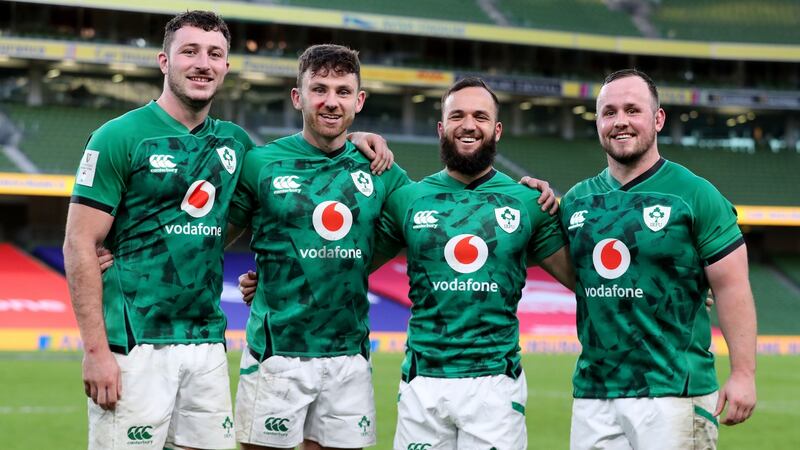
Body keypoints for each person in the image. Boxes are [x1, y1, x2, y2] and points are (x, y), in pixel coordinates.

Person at [66, 12, 392, 450]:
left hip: (206, 345)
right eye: (190, 51)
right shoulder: (118, 137)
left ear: (226, 67)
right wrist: (95, 352)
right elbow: (79, 243)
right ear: (164, 61)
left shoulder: (236, 144)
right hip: (135, 345)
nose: (203, 63)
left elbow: (284, 197)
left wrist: (355, 137)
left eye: (214, 54)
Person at [370, 77, 573, 450]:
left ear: (497, 130)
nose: (468, 124)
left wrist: (682, 284)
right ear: (441, 127)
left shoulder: (528, 203)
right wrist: (266, 278)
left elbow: (587, 281)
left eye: (481, 116)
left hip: (495, 383)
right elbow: (349, 263)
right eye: (457, 115)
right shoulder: (408, 199)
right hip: (423, 382)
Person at [560, 68, 757, 450]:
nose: (620, 121)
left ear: (658, 118)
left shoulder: (695, 195)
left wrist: (743, 374)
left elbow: (732, 287)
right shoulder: (576, 201)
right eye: (609, 112)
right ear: (598, 121)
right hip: (594, 395)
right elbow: (567, 267)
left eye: (633, 110)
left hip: (674, 394)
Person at [228, 44, 412, 450]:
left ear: (359, 100)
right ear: (298, 97)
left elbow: (429, 218)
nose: (332, 101)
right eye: (320, 89)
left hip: (348, 354)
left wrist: (524, 193)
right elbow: (211, 236)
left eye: (343, 91)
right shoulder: (261, 163)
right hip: (277, 354)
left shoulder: (380, 168)